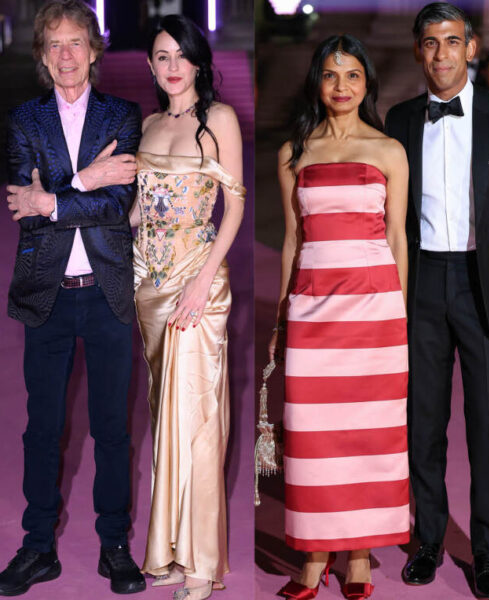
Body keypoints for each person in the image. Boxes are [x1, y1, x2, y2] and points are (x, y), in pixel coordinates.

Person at [385, 3, 489, 599]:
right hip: (423, 283)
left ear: (471, 47)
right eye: (430, 42)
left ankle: (485, 551)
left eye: (452, 41)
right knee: (424, 421)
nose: (441, 54)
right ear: (418, 50)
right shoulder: (401, 119)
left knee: (488, 423)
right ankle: (428, 537)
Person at [0, 0, 145, 596]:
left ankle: (115, 545)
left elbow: (118, 206)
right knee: (43, 428)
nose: (66, 55)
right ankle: (38, 548)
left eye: (75, 42)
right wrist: (86, 181)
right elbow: (26, 211)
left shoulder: (123, 115)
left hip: (108, 293)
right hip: (47, 295)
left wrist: (55, 198)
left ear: (93, 48)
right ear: (42, 54)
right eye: (54, 44)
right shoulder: (22, 120)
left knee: (111, 429)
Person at [269, 34, 410, 600]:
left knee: (369, 435)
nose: (342, 86)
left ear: (366, 82)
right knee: (312, 436)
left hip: (375, 312)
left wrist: (400, 315)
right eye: (331, 74)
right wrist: (282, 316)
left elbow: (397, 237)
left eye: (352, 75)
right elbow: (291, 240)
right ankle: (313, 555)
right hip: (313, 310)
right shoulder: (293, 152)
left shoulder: (389, 150)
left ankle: (359, 556)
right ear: (317, 82)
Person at [129, 15, 245, 600]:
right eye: (161, 56)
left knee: (197, 419)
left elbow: (234, 207)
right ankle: (171, 551)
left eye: (181, 55)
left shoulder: (218, 119)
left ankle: (201, 563)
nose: (172, 67)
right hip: (147, 286)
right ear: (150, 66)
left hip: (198, 283)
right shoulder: (147, 125)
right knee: (165, 420)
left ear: (198, 61)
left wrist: (201, 284)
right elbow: (138, 210)